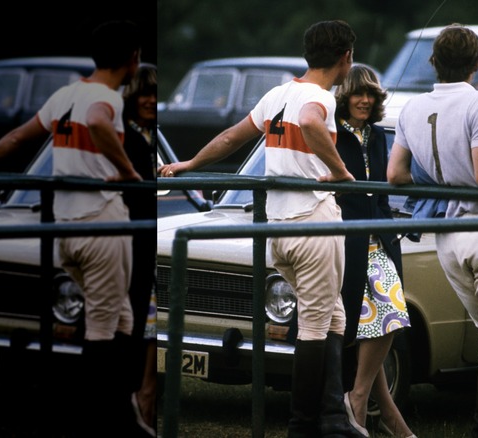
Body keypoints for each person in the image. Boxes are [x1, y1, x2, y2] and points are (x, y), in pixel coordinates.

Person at [158, 20, 368, 438]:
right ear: (346, 58)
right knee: (315, 325)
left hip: (278, 229)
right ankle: (303, 425)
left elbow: (232, 137)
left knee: (334, 318)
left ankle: (332, 419)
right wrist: (341, 171)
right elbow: (310, 123)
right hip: (312, 222)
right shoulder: (320, 99)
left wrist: (189, 164)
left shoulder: (277, 94)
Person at [0, 20, 144, 436]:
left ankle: (124, 414)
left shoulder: (65, 94)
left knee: (123, 319)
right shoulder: (106, 99)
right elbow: (97, 121)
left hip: (67, 230)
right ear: (132, 60)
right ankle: (93, 418)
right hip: (100, 224)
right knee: (104, 329)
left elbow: (21, 136)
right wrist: (128, 172)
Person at [386, 24, 478, 438]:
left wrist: (439, 179)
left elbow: (395, 175)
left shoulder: (410, 108)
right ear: (477, 64)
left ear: (433, 62)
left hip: (447, 236)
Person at [332, 65, 415, 438]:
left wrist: (390, 236)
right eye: (357, 93)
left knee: (391, 311)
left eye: (370, 94)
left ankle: (360, 399)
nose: (364, 100)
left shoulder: (380, 136)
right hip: (345, 241)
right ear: (344, 97)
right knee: (374, 321)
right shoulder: (331, 134)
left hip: (378, 240)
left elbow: (383, 192)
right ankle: (384, 414)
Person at [121, 63, 158, 437]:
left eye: (156, 93)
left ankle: (147, 397)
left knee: (149, 320)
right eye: (143, 93)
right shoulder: (121, 134)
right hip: (126, 239)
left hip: (149, 240)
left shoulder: (153, 135)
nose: (150, 100)